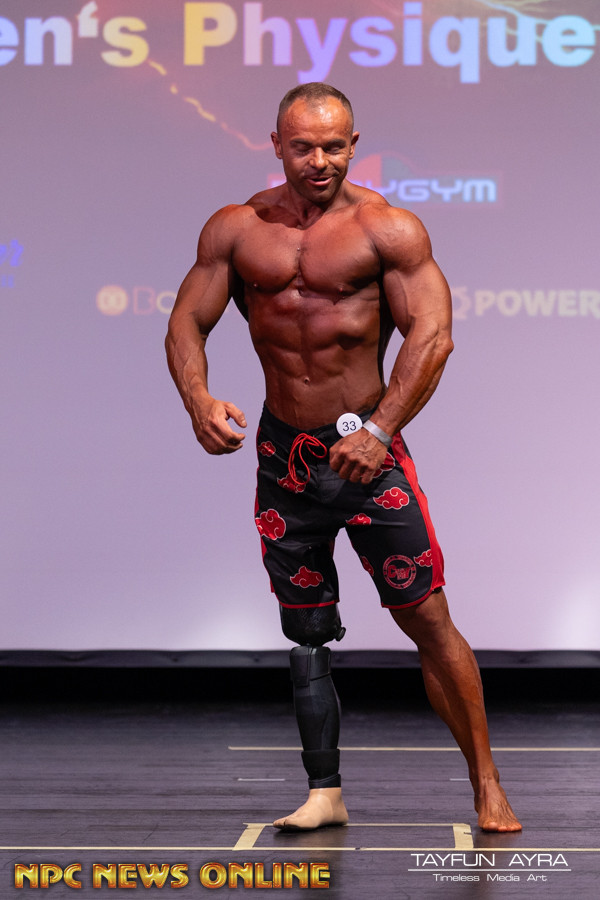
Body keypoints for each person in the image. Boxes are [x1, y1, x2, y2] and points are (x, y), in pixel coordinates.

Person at [165, 82, 522, 833]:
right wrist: (198, 399)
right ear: (276, 145)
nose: (320, 161)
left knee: (427, 616)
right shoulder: (236, 229)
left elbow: (433, 336)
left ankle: (487, 784)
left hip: (367, 454)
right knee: (305, 628)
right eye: (304, 147)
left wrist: (382, 430)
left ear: (354, 145)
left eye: (334, 146)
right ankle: (324, 791)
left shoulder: (387, 230)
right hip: (283, 458)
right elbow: (185, 322)